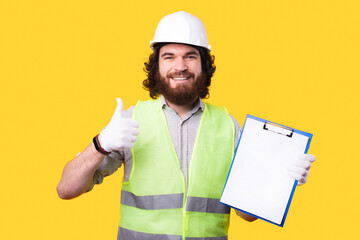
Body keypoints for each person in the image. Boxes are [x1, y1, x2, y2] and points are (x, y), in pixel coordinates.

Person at [57, 11, 316, 240]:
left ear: (204, 65)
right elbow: (66, 189)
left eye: (190, 57)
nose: (180, 67)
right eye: (169, 57)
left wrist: (281, 179)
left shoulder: (228, 127)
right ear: (156, 65)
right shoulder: (129, 121)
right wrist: (100, 144)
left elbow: (245, 214)